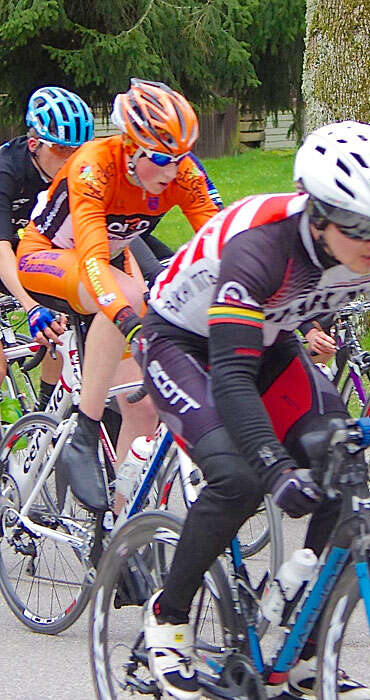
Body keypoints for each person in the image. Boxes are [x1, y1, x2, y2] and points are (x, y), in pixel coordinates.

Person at [137, 120, 370, 699]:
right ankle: (168, 616)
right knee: (239, 478)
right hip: (182, 343)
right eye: (361, 227)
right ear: (319, 215)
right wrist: (274, 467)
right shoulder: (261, 244)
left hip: (269, 344)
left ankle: (299, 649)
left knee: (341, 467)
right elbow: (232, 375)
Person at [17, 78, 223, 514]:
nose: (173, 171)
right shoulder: (94, 166)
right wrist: (129, 321)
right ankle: (85, 430)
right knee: (128, 296)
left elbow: (224, 243)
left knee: (142, 406)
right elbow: (93, 258)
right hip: (46, 257)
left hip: (108, 265)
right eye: (162, 159)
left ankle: (121, 522)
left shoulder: (182, 171)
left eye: (181, 157)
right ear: (131, 147)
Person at [0, 87, 93, 406]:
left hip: (25, 249)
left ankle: (44, 416)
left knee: (62, 328)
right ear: (34, 144)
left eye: (78, 150)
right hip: (3, 249)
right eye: (62, 149)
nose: (72, 159)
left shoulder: (78, 174)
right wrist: (31, 305)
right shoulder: (6, 171)